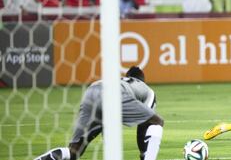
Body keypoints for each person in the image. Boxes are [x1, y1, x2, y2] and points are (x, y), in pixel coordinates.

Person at [34, 66, 164, 160]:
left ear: (127, 76)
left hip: (92, 90)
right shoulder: (147, 90)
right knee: (157, 121)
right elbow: (144, 126)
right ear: (142, 79)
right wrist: (143, 154)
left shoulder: (120, 80)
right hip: (115, 93)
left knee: (74, 151)